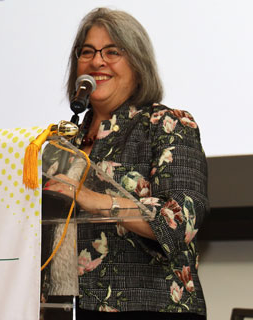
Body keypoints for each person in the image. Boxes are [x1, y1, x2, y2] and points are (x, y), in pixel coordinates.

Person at [42, 8, 208, 319]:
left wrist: (92, 199)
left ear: (138, 62)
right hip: (64, 307)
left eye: (112, 51)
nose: (97, 61)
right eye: (87, 51)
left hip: (149, 306)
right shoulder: (59, 143)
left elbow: (181, 221)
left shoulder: (166, 125)